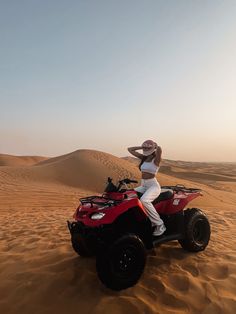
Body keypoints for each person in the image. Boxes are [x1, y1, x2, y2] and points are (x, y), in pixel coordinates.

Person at [127, 140, 166, 236]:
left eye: (148, 148)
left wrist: (155, 146)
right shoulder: (144, 158)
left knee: (144, 200)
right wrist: (142, 147)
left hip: (153, 186)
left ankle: (160, 224)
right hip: (143, 185)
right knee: (128, 195)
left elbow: (160, 151)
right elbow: (130, 149)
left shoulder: (156, 160)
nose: (146, 150)